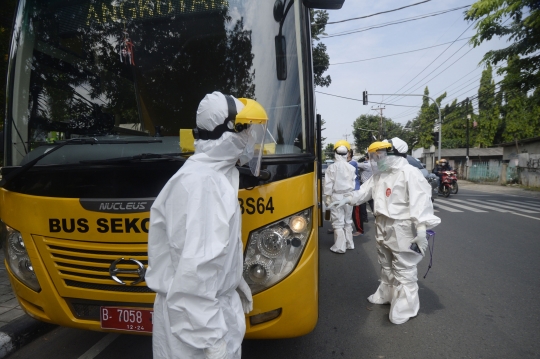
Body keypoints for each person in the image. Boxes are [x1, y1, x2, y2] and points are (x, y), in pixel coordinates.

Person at [146, 91, 268, 359]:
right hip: (196, 329)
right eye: (246, 128)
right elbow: (194, 276)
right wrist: (212, 342)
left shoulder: (209, 176)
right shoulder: (204, 185)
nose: (249, 137)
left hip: (203, 315)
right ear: (229, 132)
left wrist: (233, 280)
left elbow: (211, 255)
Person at [329, 137, 440, 324]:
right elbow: (364, 191)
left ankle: (406, 306)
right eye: (375, 155)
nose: (377, 158)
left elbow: (421, 202)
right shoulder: (380, 174)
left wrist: (421, 230)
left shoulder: (409, 173)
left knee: (404, 266)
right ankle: (387, 294)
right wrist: (347, 199)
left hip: (402, 226)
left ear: (394, 154)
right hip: (382, 223)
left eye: (380, 154)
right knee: (385, 261)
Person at [324, 140, 356, 253]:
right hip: (349, 196)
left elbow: (328, 184)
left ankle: (339, 247)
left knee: (338, 222)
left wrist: (327, 198)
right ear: (347, 153)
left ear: (335, 153)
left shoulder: (331, 168)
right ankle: (349, 244)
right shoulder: (352, 168)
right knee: (348, 221)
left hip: (336, 197)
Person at [347, 150, 363, 236]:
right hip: (349, 190)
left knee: (355, 212)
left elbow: (344, 168)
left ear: (349, 154)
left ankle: (359, 230)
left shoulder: (352, 163)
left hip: (355, 190)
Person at [357, 155, 374, 222]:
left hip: (365, 185)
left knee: (363, 202)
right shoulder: (375, 164)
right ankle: (377, 216)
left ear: (367, 158)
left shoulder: (366, 164)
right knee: (372, 202)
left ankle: (364, 218)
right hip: (372, 184)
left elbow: (356, 164)